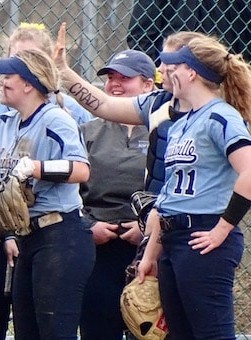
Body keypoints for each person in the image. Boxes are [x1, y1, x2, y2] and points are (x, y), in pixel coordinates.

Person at [135, 35, 251, 339]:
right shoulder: (181, 121)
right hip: (172, 238)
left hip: (204, 236)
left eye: (174, 66)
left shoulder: (221, 116)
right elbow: (169, 199)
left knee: (212, 333)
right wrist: (151, 255)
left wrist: (223, 229)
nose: (167, 72)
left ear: (191, 72)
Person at [0, 48, 95, 340]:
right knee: (26, 331)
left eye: (8, 76)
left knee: (54, 332)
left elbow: (81, 169)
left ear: (29, 84)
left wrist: (35, 167)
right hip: (28, 238)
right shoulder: (8, 122)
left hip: (60, 236)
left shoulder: (54, 118)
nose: (0, 82)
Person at [78, 49, 155, 340]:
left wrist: (147, 227)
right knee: (98, 326)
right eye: (111, 78)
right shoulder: (88, 131)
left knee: (147, 329)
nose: (115, 85)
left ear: (148, 85)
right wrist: (88, 228)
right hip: (100, 244)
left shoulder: (163, 128)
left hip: (148, 246)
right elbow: (69, 193)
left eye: (125, 78)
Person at [0, 22, 93, 125]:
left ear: (47, 63)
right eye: (14, 60)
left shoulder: (73, 111)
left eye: (31, 59)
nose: (21, 65)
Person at [126, 0, 251, 79]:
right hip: (174, 73)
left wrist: (250, 73)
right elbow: (140, 34)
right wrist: (157, 75)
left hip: (223, 73)